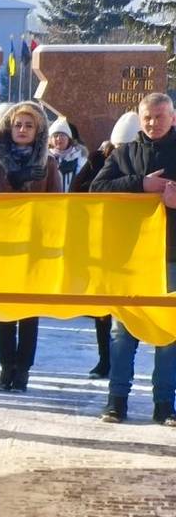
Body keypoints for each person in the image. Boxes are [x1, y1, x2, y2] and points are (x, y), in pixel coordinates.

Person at [89, 91, 176, 424]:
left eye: (160, 116)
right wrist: (141, 185)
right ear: (140, 120)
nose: (154, 123)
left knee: (169, 333)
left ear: (172, 117)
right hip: (130, 257)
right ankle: (116, 400)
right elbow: (97, 190)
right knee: (123, 333)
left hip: (171, 255)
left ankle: (164, 404)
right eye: (148, 118)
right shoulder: (124, 154)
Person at [0, 100, 65, 393]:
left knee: (29, 310)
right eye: (18, 124)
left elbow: (57, 204)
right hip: (4, 242)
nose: (23, 129)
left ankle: (23, 369)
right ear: (9, 126)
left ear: (38, 130)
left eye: (29, 125)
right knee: (5, 309)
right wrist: (12, 182)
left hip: (35, 244)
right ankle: (6, 367)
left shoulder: (48, 162)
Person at [73, 112, 142, 381]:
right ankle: (105, 360)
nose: (121, 152)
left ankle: (125, 363)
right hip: (104, 240)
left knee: (133, 309)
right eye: (117, 147)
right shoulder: (96, 160)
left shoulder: (143, 158)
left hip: (137, 243)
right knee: (104, 310)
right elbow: (79, 192)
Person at [48, 116, 87, 189]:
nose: (59, 139)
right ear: (50, 140)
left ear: (69, 138)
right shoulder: (46, 159)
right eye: (55, 136)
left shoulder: (81, 159)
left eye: (62, 135)